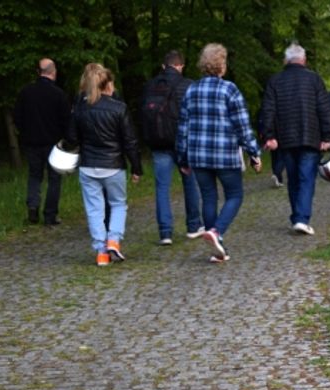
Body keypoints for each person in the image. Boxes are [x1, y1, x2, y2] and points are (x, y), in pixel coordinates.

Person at [176, 43, 262, 263]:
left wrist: (182, 157)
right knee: (235, 195)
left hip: (199, 156)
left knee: (209, 197)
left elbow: (183, 127)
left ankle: (218, 248)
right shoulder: (230, 90)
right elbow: (242, 126)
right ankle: (217, 232)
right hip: (225, 155)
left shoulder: (191, 90)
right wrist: (254, 152)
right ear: (221, 65)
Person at [65, 64, 142, 266]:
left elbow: (71, 138)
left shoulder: (80, 109)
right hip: (114, 165)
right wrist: (136, 167)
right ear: (108, 84)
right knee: (117, 204)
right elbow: (130, 141)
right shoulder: (119, 108)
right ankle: (114, 240)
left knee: (94, 209)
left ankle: (101, 252)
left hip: (88, 165)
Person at [260, 43, 330, 236]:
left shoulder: (275, 81)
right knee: (306, 178)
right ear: (304, 60)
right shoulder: (314, 80)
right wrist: (327, 136)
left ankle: (297, 216)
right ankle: (301, 218)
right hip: (310, 136)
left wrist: (269, 135)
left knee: (293, 179)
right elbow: (324, 109)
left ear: (286, 60)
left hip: (285, 139)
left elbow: (268, 110)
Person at [141, 50, 202, 245]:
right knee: (190, 183)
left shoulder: (151, 86)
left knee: (162, 188)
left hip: (159, 143)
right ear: (181, 66)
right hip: (184, 143)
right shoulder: (188, 85)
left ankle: (165, 232)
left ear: (163, 66)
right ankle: (193, 225)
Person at [13, 58, 70, 226]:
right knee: (54, 178)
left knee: (34, 175)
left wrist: (25, 132)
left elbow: (18, 117)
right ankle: (50, 215)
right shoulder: (59, 94)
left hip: (31, 142)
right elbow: (66, 121)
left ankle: (33, 208)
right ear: (53, 72)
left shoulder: (26, 92)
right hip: (54, 143)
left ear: (39, 72)